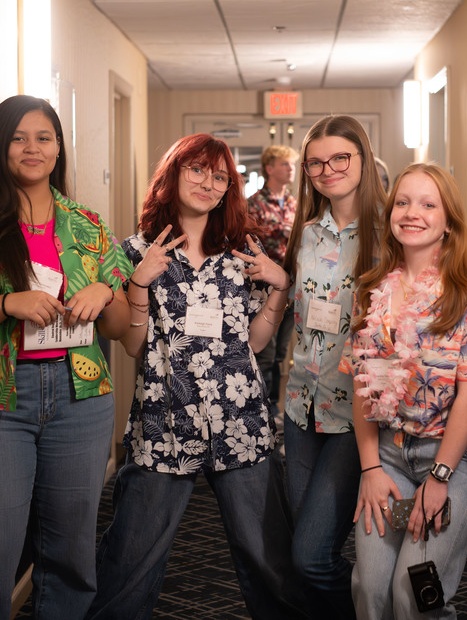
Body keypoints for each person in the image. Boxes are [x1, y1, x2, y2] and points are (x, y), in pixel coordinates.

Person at [0, 95, 132, 619]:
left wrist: (106, 294)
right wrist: (4, 304)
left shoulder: (85, 222)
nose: (31, 148)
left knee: (70, 556)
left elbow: (119, 322)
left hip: (80, 398)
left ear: (59, 148)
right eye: (18, 138)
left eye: (43, 137)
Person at [88, 133, 304, 619]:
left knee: (269, 560)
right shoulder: (136, 250)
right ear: (173, 173)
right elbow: (135, 346)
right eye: (198, 170)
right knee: (130, 562)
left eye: (221, 176)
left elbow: (255, 342)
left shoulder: (242, 254)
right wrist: (141, 283)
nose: (209, 183)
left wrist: (279, 288)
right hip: (164, 424)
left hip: (240, 422)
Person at [343, 163, 467, 619]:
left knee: (416, 595)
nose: (413, 213)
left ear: (449, 220)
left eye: (429, 204)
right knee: (370, 593)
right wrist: (369, 467)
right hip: (387, 456)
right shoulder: (372, 289)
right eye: (404, 202)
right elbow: (361, 387)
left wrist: (441, 477)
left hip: (452, 458)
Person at [281, 114, 387, 618]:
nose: (327, 170)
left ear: (362, 159)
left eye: (339, 157)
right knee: (307, 551)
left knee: (311, 558)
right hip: (301, 410)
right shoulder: (304, 235)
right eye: (316, 162)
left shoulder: (393, 234)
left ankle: (377, 605)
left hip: (357, 419)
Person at [247, 144, 299, 402]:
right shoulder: (254, 203)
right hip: (263, 290)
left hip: (291, 287)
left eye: (292, 164)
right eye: (284, 164)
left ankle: (276, 409)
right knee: (265, 353)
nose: (291, 169)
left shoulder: (295, 203)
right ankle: (261, 407)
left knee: (281, 354)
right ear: (269, 168)